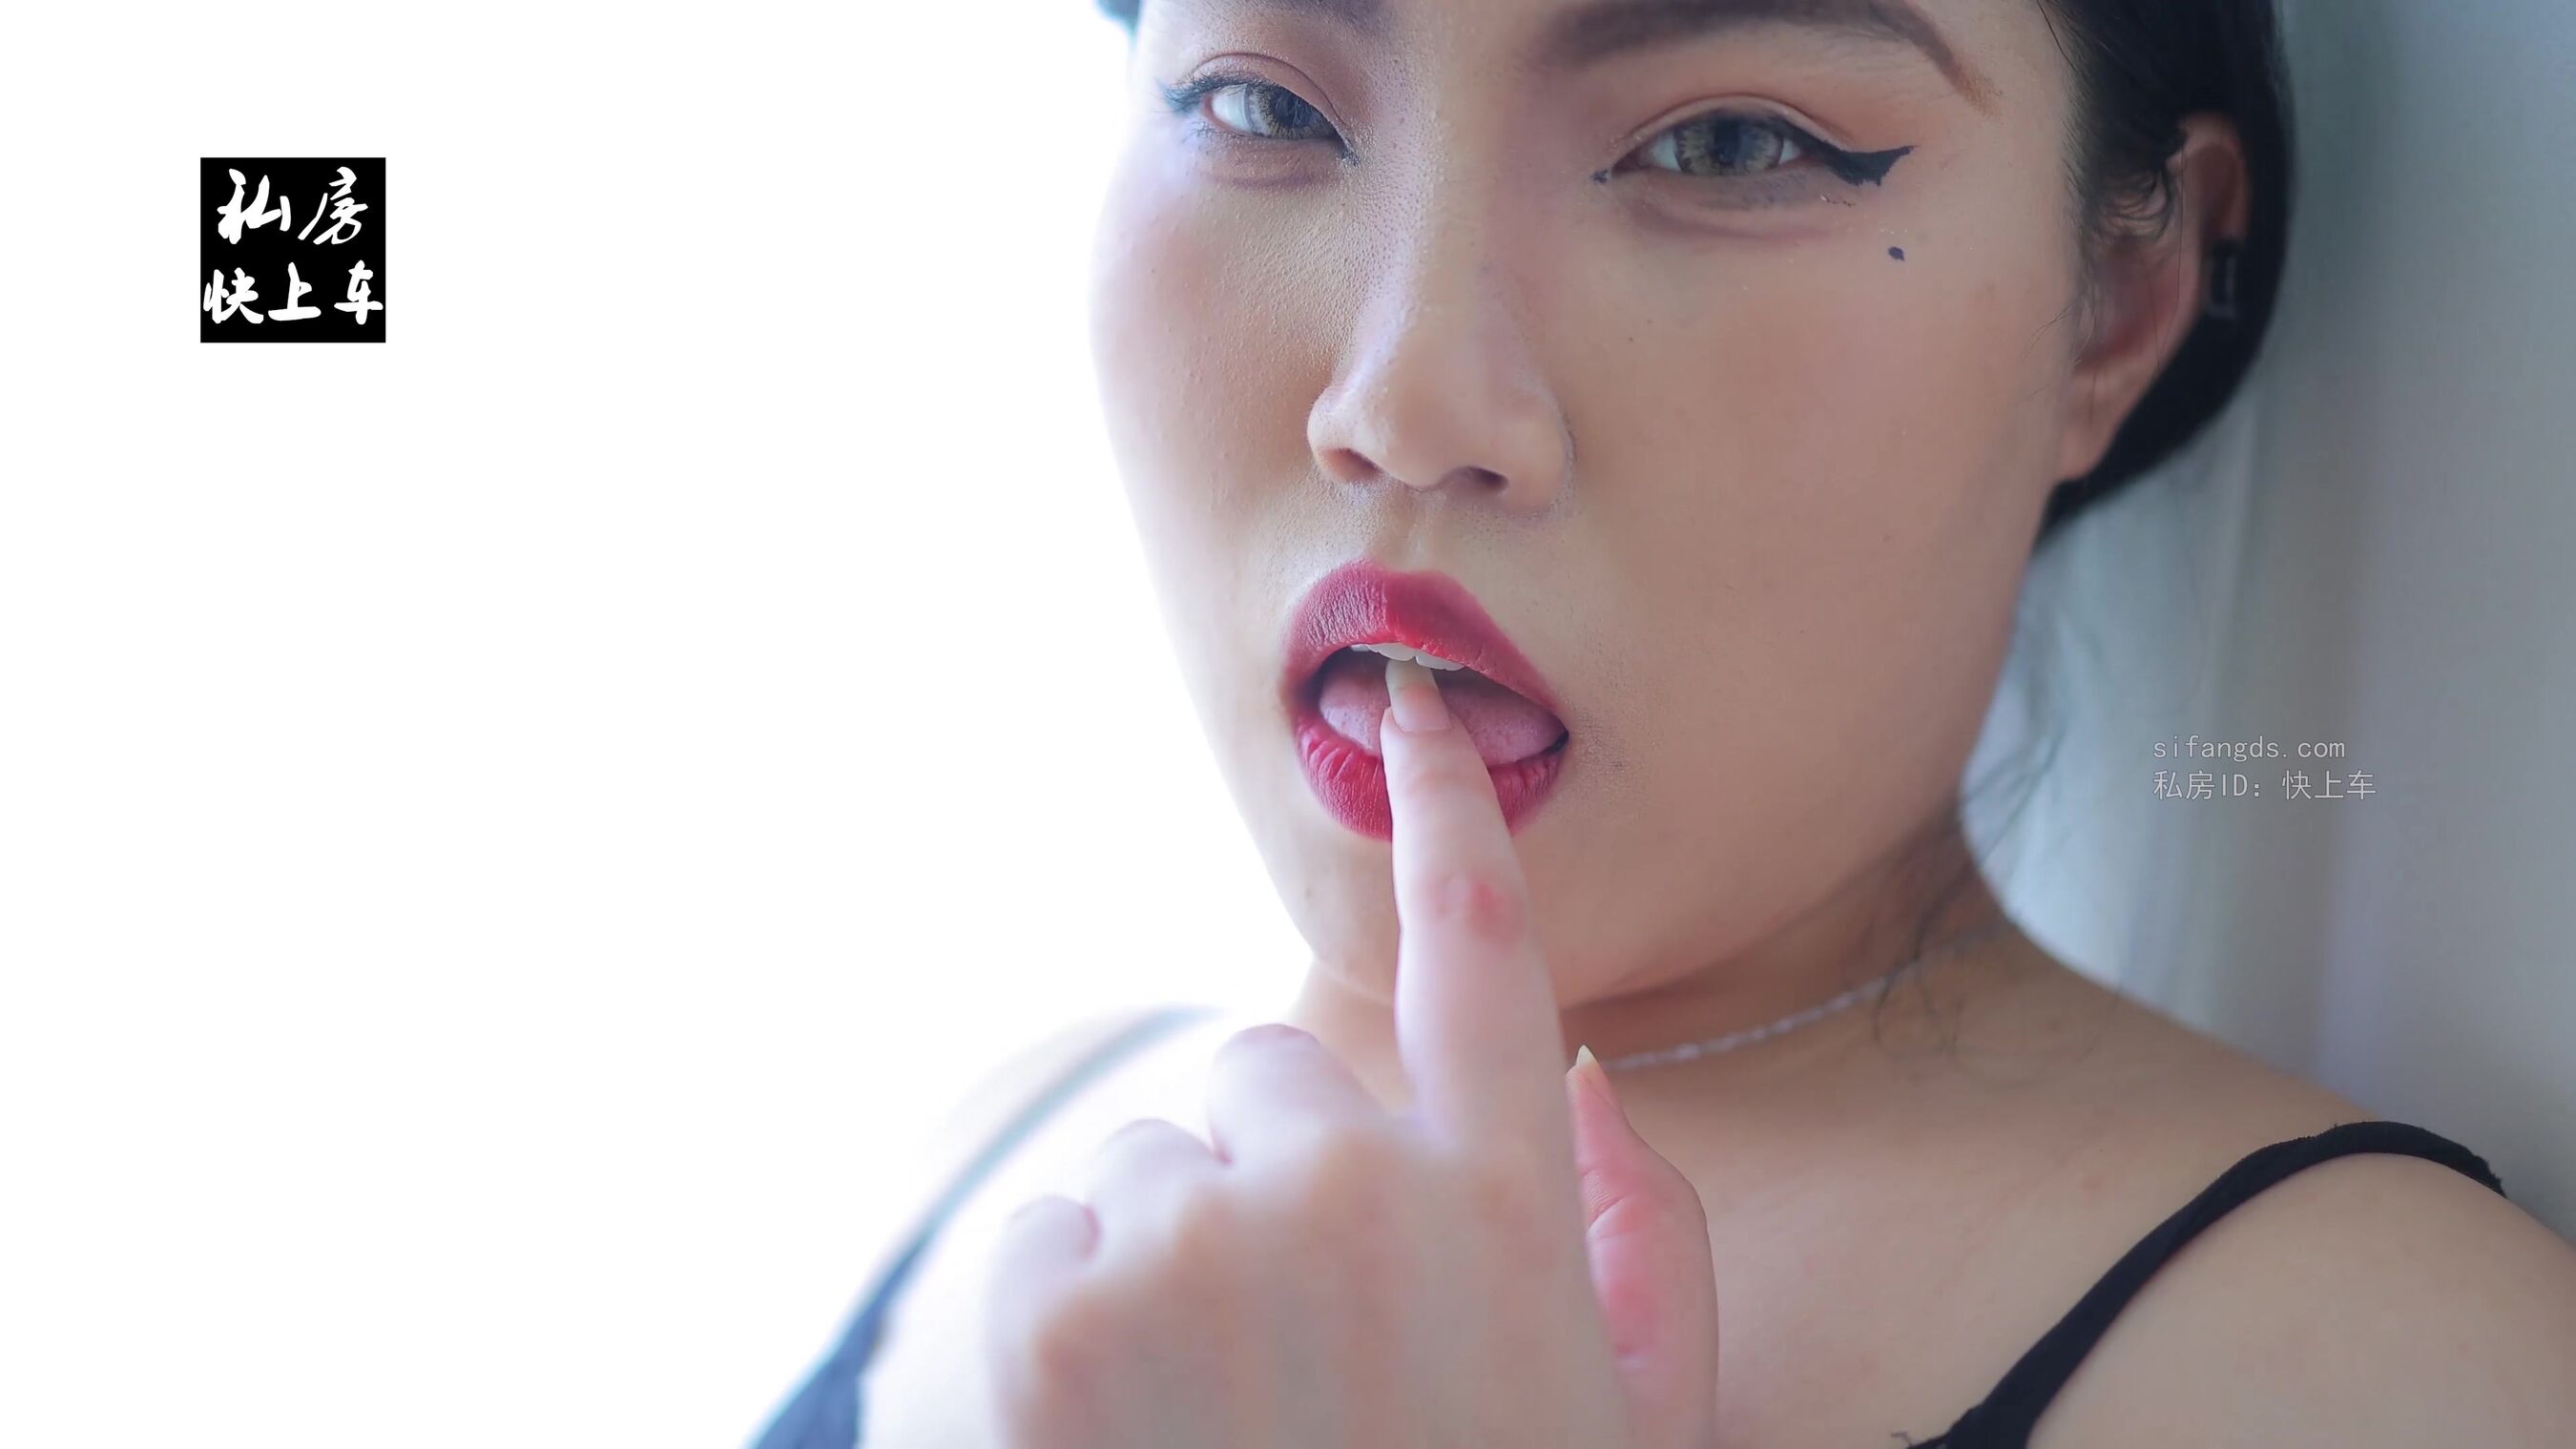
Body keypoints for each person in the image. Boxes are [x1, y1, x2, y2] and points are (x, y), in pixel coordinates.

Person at [756, 1, 2576, 1443]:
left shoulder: (2380, 1373)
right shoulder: (1016, 1138)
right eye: (1259, 102)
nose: (1407, 403)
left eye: (1727, 143)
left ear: (2120, 303)